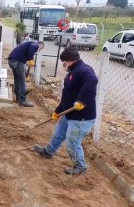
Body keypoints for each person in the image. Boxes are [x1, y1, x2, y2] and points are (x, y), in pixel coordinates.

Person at [33, 47, 98, 175]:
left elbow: (93, 80)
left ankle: (81, 167)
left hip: (82, 118)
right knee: (59, 133)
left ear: (68, 61)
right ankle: (48, 152)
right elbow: (67, 97)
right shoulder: (73, 72)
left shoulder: (83, 70)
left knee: (72, 142)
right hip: (70, 114)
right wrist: (57, 112)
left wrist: (82, 100)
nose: (63, 64)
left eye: (63, 61)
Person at [8, 41, 44, 107]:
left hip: (11, 61)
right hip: (18, 62)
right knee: (22, 81)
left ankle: (18, 97)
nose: (38, 50)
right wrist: (31, 59)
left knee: (17, 80)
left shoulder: (28, 45)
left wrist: (28, 61)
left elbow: (26, 54)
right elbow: (33, 47)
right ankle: (22, 101)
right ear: (40, 46)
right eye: (40, 49)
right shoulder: (35, 45)